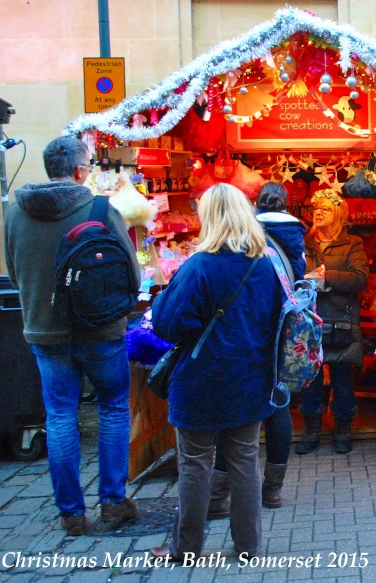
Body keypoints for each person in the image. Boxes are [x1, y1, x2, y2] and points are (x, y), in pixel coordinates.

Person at [4, 136, 139, 537]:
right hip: (100, 330)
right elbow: (129, 270)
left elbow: (14, 273)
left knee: (60, 415)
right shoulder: (100, 208)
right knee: (114, 408)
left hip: (45, 331)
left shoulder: (14, 212)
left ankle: (72, 514)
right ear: (81, 170)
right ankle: (113, 502)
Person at [149, 183, 282, 560]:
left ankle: (185, 548)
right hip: (251, 376)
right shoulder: (266, 262)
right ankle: (249, 545)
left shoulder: (199, 265)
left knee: (194, 464)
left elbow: (170, 325)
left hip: (201, 377)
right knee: (243, 461)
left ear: (209, 218)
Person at [208, 182, 307, 519]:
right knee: (278, 405)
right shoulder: (294, 236)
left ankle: (218, 495)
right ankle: (272, 490)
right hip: (282, 329)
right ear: (287, 204)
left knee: (234, 412)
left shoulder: (246, 238)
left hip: (246, 333)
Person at [295, 189, 367, 455]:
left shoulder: (352, 244)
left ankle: (343, 431)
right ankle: (311, 431)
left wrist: (327, 277)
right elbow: (295, 277)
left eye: (326, 207)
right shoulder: (304, 244)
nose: (319, 211)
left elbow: (359, 278)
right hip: (309, 321)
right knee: (310, 379)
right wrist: (320, 278)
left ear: (338, 212)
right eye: (316, 208)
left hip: (341, 322)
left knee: (341, 378)